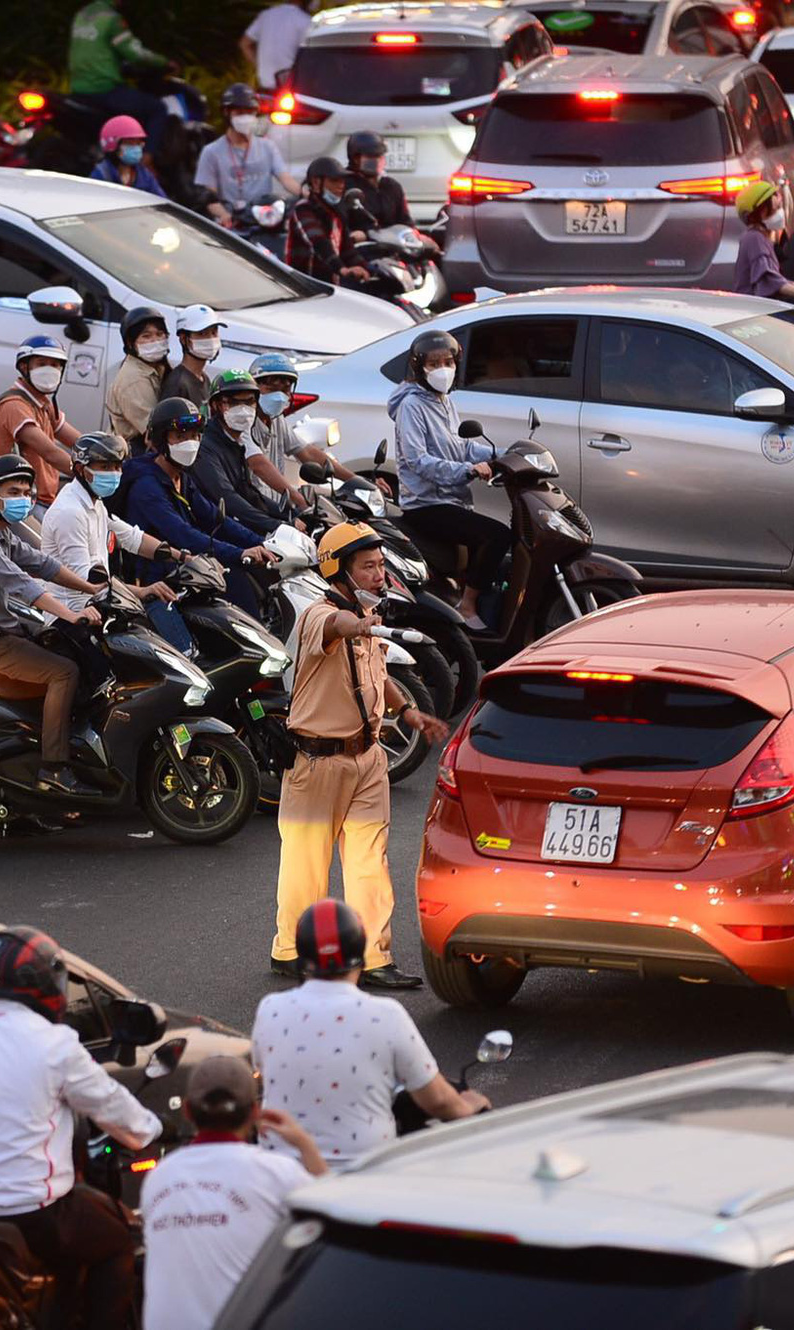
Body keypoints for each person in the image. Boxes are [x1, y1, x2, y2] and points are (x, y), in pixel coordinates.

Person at [0, 927, 160, 1330]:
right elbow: (114, 1109)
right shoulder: (55, 1045)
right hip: (31, 1212)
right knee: (115, 1245)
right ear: (48, 984)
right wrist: (152, 1129)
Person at [268, 531, 447, 991]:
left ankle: (373, 958)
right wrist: (369, 626)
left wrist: (407, 712)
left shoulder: (368, 614)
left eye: (380, 565)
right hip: (317, 760)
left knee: (372, 862)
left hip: (367, 759)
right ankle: (290, 949)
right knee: (306, 864)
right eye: (368, 566)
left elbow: (377, 673)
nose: (379, 574)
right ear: (338, 569)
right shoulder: (319, 616)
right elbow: (338, 629)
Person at [256, 900, 488, 1164]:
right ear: (359, 952)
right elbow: (437, 1101)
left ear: (301, 955)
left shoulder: (270, 1010)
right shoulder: (386, 1015)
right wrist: (471, 1108)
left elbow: (265, 1072)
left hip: (283, 1173)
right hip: (364, 1175)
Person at [0, 455, 108, 795]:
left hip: (4, 629)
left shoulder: (1, 531)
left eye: (26, 491)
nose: (23, 498)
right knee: (63, 672)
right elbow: (22, 584)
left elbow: (42, 564)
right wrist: (71, 614)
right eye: (14, 491)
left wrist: (93, 588)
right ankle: (53, 768)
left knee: (67, 649)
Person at [140, 1056, 326, 1330]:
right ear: (255, 1112)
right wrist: (304, 1143)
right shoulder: (278, 1173)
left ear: (188, 1111)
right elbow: (337, 1220)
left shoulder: (158, 1177)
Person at [389, 330, 508, 631]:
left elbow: (462, 446)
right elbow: (417, 461)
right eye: (433, 363)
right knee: (496, 536)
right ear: (419, 368)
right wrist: (466, 471)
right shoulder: (411, 406)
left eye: (448, 361)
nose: (442, 369)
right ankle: (467, 606)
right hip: (426, 503)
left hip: (452, 499)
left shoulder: (444, 401)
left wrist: (505, 453)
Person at [118, 398, 278, 618]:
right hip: (156, 579)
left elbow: (215, 518)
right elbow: (184, 535)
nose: (190, 443)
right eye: (180, 437)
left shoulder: (181, 477)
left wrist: (264, 542)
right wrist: (239, 553)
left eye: (194, 436)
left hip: (185, 569)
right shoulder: (146, 486)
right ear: (162, 440)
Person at [38, 431, 188, 649]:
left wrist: (183, 557)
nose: (115, 474)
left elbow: (132, 538)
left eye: (117, 467)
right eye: (105, 467)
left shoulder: (94, 503)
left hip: (101, 607)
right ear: (81, 470)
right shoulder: (70, 512)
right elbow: (88, 582)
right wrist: (142, 591)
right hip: (73, 616)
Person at [247, 351, 351, 513]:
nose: (279, 395)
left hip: (278, 508)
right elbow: (258, 465)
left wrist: (354, 480)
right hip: (254, 511)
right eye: (272, 387)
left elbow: (307, 453)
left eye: (285, 388)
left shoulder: (277, 420)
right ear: (254, 387)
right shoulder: (244, 422)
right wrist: (297, 499)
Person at [0, 335, 84, 509]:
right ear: (24, 367)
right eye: (41, 364)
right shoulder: (15, 405)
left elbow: (80, 442)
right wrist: (90, 474)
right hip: (20, 501)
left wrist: (108, 453)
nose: (50, 370)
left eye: (55, 365)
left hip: (44, 499)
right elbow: (50, 453)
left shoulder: (43, 402)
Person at [192, 369, 290, 534]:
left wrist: (290, 514)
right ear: (216, 406)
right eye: (233, 403)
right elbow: (227, 497)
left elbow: (248, 493)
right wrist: (277, 526)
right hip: (213, 534)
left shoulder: (235, 441)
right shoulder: (205, 446)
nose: (243, 410)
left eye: (249, 402)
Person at [68, 0, 171, 155]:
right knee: (157, 109)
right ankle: (147, 160)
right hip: (104, 88)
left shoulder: (81, 15)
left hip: (78, 89)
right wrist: (165, 62)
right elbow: (135, 53)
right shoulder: (111, 18)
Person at [197, 85, 300, 229]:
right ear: (227, 113)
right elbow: (208, 196)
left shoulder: (267, 147)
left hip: (264, 220)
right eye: (240, 113)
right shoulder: (211, 152)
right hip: (232, 224)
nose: (245, 118)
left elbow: (286, 180)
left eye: (250, 112)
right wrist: (223, 215)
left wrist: (308, 194)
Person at [288, 157, 382, 293]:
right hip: (303, 289)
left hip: (329, 290)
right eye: (334, 180)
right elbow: (319, 242)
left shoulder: (337, 214)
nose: (341, 185)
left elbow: (348, 251)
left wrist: (370, 269)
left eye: (342, 181)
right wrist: (342, 269)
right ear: (316, 183)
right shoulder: (303, 209)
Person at [731, 180, 794, 304]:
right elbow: (772, 283)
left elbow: (780, 281)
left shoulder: (762, 238)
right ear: (759, 213)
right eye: (776, 208)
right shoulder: (754, 239)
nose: (780, 213)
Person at [103, 306, 170, 449]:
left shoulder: (157, 366)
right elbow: (154, 433)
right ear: (130, 342)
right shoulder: (133, 379)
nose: (155, 340)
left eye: (160, 334)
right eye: (146, 336)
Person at [344, 131, 414, 231]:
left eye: (380, 156)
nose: (377, 160)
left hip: (393, 243)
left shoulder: (392, 186)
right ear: (356, 158)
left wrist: (417, 236)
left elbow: (405, 221)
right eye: (371, 156)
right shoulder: (344, 184)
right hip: (361, 244)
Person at [241, 0, 313, 91]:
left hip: (265, 90)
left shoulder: (266, 15)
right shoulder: (305, 21)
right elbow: (312, 56)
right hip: (291, 90)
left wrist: (260, 66)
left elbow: (245, 44)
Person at [161, 306, 224, 409]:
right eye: (202, 333)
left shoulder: (204, 378)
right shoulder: (177, 385)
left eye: (214, 332)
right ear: (183, 339)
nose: (211, 339)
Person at [90, 114, 167, 197]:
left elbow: (161, 201)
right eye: (129, 143)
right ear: (114, 146)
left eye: (138, 143)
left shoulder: (144, 175)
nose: (136, 148)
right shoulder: (102, 173)